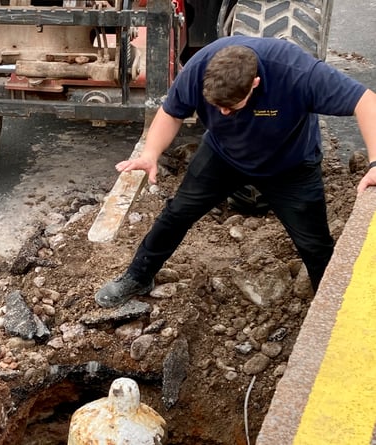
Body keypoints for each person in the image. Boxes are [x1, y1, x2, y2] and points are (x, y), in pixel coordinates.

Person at [95, 35, 376, 308]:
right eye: (217, 106)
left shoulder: (297, 72)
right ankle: (138, 277)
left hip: (290, 165)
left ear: (255, 84)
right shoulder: (199, 68)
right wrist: (150, 154)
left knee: (314, 245)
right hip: (223, 155)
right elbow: (171, 112)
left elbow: (366, 102)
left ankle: (332, 308)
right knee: (177, 213)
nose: (224, 113)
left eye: (231, 106)